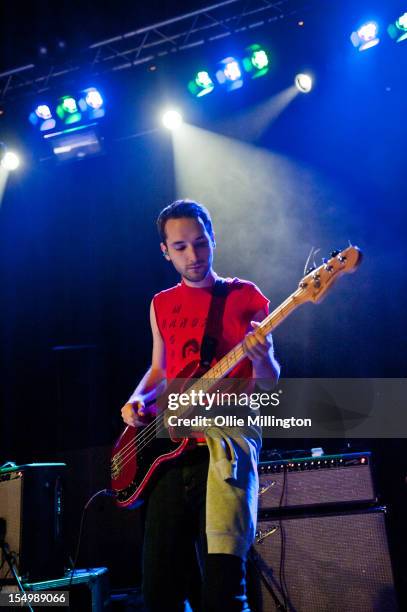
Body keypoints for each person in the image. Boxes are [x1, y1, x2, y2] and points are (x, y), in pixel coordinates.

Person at [121, 199, 280, 611]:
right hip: (170, 456)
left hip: (225, 446)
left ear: (213, 238)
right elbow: (160, 370)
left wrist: (262, 358)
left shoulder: (245, 296)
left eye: (200, 243)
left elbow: (268, 384)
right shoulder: (160, 304)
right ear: (165, 251)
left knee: (224, 590)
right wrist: (137, 399)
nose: (193, 256)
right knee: (160, 592)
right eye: (180, 247)